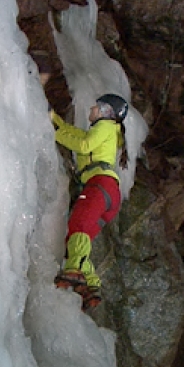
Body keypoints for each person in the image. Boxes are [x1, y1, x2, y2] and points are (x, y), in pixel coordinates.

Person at [51, 93, 129, 310]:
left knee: (78, 225)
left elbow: (83, 145)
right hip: (108, 195)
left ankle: (74, 271)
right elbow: (75, 133)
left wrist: (54, 133)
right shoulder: (105, 131)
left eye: (96, 107)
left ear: (106, 112)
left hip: (99, 185)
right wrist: (53, 120)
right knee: (76, 239)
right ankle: (91, 286)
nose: (91, 110)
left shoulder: (105, 126)